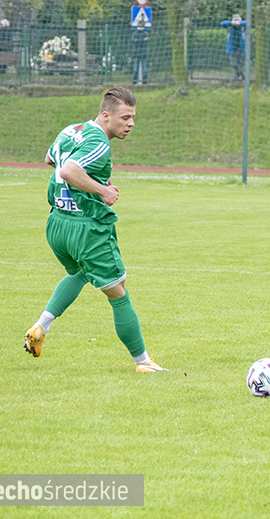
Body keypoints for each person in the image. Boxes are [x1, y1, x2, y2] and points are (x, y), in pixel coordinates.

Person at [22, 87, 167, 373]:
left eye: (133, 117)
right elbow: (68, 171)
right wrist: (102, 191)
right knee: (119, 292)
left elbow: (51, 160)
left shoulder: (71, 130)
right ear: (106, 115)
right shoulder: (100, 142)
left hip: (57, 224)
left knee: (80, 274)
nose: (131, 123)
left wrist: (96, 178)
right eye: (125, 117)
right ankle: (143, 362)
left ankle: (41, 327)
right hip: (85, 229)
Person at [221, 14, 247, 81]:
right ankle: (242, 74)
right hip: (232, 48)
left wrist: (240, 22)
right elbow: (222, 23)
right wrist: (230, 22)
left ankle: (236, 79)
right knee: (233, 64)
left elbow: (248, 22)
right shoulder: (229, 26)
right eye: (235, 20)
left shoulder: (243, 26)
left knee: (240, 64)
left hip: (241, 48)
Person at [131, 19, 149, 85]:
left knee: (145, 70)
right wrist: (142, 40)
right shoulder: (134, 33)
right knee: (135, 69)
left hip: (144, 54)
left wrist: (138, 41)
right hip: (136, 54)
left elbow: (146, 41)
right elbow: (134, 41)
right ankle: (134, 82)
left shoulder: (145, 33)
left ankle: (145, 82)